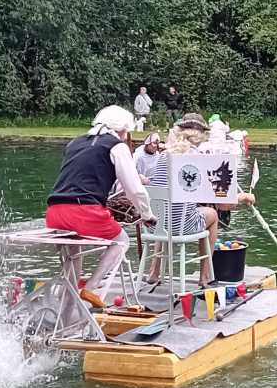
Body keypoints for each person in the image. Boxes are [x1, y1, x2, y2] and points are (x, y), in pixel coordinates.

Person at [46, 105, 156, 308]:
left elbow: (85, 175)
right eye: (126, 132)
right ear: (122, 129)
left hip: (54, 211)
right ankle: (91, 288)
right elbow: (135, 190)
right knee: (121, 241)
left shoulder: (75, 143)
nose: (126, 136)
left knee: (73, 261)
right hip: (83, 211)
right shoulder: (117, 146)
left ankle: (66, 314)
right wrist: (147, 214)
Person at [149, 113, 255, 285]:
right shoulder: (198, 158)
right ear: (201, 135)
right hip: (181, 226)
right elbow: (224, 204)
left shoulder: (162, 156)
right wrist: (243, 197)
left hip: (156, 225)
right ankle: (205, 276)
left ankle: (154, 272)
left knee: (165, 214)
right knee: (212, 214)